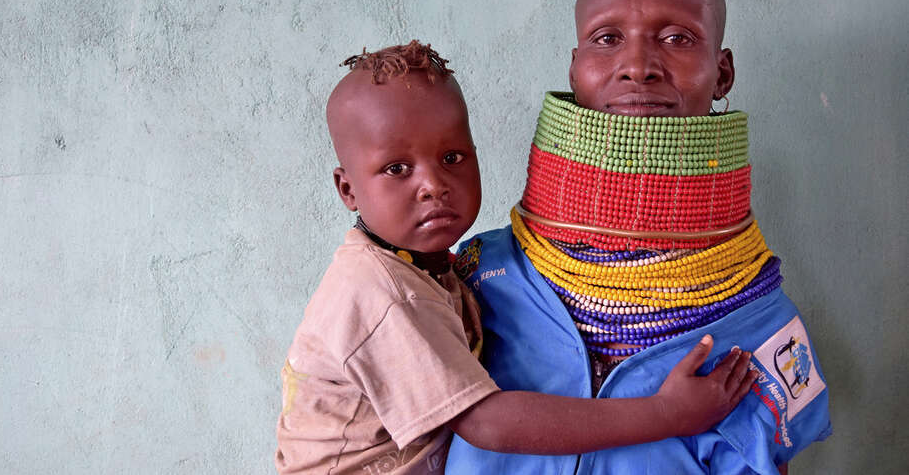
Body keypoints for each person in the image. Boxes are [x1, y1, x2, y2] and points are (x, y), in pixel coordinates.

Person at [275, 40, 757, 474]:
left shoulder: (443, 265)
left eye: (452, 158)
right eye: (397, 169)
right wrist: (666, 414)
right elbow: (487, 423)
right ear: (348, 189)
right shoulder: (380, 293)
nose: (434, 185)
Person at [445, 0, 831, 475]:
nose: (637, 65)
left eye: (677, 37)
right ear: (574, 68)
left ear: (723, 73)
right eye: (606, 38)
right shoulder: (478, 276)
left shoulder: (760, 326)